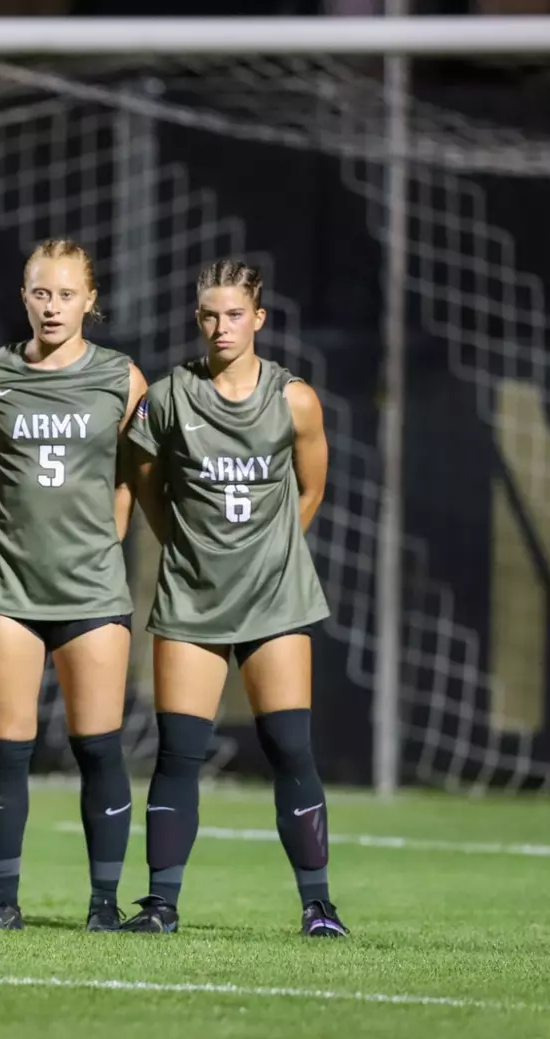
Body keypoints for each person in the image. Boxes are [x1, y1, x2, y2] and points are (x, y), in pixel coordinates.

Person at [122, 259, 346, 937]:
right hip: (193, 599)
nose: (221, 327)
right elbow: (145, 484)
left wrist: (270, 552)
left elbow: (310, 488)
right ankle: (161, 906)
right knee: (178, 752)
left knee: (289, 748)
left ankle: (319, 907)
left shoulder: (292, 399)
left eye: (234, 314)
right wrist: (192, 548)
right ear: (198, 320)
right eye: (209, 315)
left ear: (260, 319)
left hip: (276, 599)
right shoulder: (166, 399)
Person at [0, 239, 149, 932]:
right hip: (8, 586)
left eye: (66, 294)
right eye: (41, 292)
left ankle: (103, 904)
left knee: (98, 745)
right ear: (23, 296)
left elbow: (132, 475)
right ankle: (2, 901)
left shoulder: (122, 379)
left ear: (90, 302)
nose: (52, 306)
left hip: (92, 591)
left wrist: (105, 543)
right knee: (6, 747)